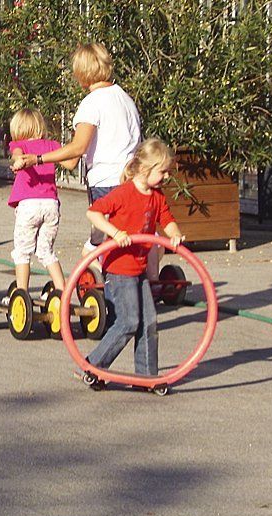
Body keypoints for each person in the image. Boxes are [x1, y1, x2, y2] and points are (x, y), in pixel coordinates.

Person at [10, 43, 141, 252]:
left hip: (106, 182)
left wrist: (38, 158)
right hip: (132, 179)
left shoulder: (92, 103)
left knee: (102, 240)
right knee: (127, 234)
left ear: (82, 72)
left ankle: (98, 275)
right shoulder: (125, 98)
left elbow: (77, 149)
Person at [82, 138, 185, 379]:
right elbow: (93, 212)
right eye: (162, 172)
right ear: (144, 169)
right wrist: (115, 233)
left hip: (138, 269)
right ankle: (94, 365)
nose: (165, 177)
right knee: (129, 321)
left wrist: (176, 235)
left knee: (149, 323)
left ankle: (146, 377)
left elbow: (167, 220)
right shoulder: (124, 193)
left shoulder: (156, 197)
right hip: (119, 268)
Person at [7, 108, 79, 295]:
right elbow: (71, 163)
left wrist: (18, 161)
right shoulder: (52, 145)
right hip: (50, 205)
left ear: (18, 129)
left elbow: (16, 154)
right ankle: (62, 292)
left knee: (22, 252)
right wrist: (80, 147)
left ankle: (21, 293)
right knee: (46, 251)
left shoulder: (19, 144)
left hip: (29, 206)